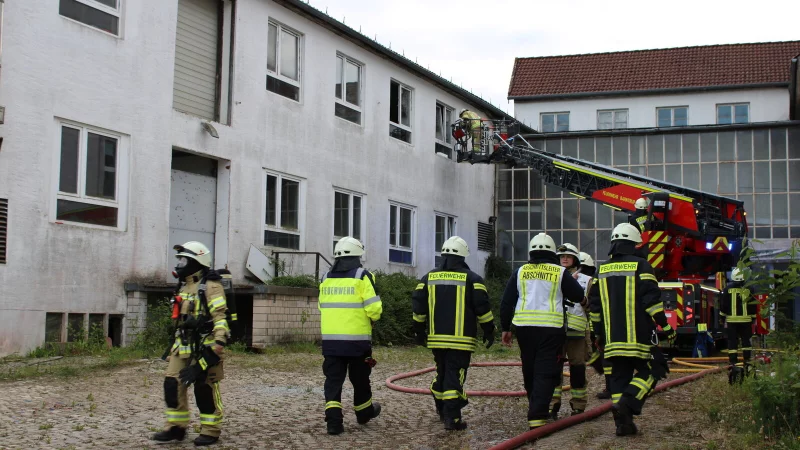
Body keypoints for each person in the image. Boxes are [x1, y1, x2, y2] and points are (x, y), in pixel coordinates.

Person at [589, 223, 676, 436]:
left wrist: (597, 335)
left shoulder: (602, 269)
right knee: (655, 369)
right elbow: (652, 301)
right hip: (638, 337)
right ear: (634, 245)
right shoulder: (642, 266)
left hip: (611, 339)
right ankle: (628, 402)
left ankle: (623, 424)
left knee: (618, 377)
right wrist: (666, 326)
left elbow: (595, 308)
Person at [500, 233, 585, 429]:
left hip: (524, 329)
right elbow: (578, 294)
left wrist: (506, 328)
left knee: (529, 368)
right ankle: (537, 416)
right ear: (552, 253)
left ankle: (535, 405)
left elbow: (506, 302)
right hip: (551, 330)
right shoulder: (559, 272)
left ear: (532, 251)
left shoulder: (520, 271)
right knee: (545, 371)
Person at [412, 236, 495, 430]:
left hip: (436, 339)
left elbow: (418, 306)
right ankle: (453, 418)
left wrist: (419, 331)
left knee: (443, 372)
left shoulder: (428, 277)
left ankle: (442, 406)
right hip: (461, 340)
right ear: (463, 256)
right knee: (454, 376)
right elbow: (482, 308)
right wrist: (489, 331)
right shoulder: (473, 279)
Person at [152, 241, 229, 446]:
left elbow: (221, 319)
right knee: (171, 383)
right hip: (182, 345)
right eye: (180, 260)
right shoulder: (184, 285)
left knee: (204, 388)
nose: (180, 264)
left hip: (205, 346)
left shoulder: (211, 286)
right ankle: (176, 428)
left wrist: (217, 345)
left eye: (185, 259)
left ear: (197, 261)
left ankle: (210, 430)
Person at [319, 237, 383, 435]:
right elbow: (374, 309)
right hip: (357, 343)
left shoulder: (325, 277)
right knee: (360, 379)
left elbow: (322, 306)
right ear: (357, 256)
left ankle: (334, 423)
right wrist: (372, 318)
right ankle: (364, 413)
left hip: (331, 343)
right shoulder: (362, 276)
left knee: (333, 381)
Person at [549, 244, 593, 419]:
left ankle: (578, 405)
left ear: (575, 259)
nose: (564, 259)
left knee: (578, 369)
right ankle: (553, 406)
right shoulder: (551, 277)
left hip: (577, 332)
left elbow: (592, 307)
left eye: (568, 256)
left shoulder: (586, 280)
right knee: (553, 370)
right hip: (556, 331)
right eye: (561, 256)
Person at [719, 267, 756, 384]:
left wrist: (722, 317)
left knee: (732, 343)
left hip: (732, 321)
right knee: (746, 342)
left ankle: (733, 362)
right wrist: (753, 317)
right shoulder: (749, 289)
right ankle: (747, 360)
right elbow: (752, 305)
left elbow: (723, 304)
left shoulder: (727, 289)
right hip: (746, 321)